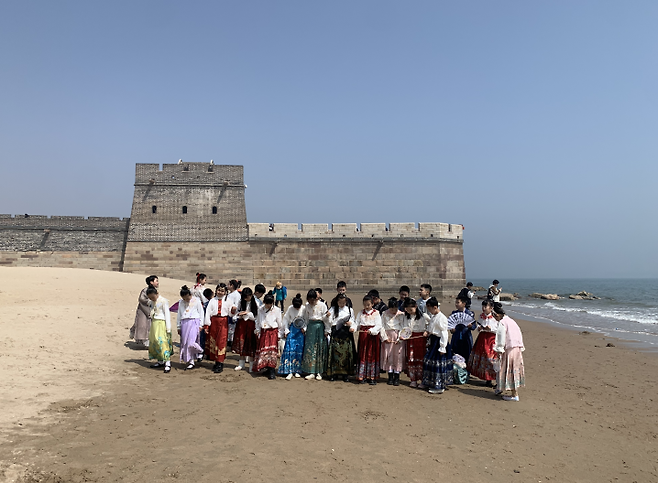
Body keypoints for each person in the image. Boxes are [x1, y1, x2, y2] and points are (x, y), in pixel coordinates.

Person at [492, 303, 525, 401]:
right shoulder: (511, 321)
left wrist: (499, 350)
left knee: (507, 370)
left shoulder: (502, 323)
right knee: (512, 369)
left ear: (497, 315)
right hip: (517, 349)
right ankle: (500, 387)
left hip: (509, 350)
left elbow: (500, 338)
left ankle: (515, 395)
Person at [421, 297, 452, 394]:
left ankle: (439, 386)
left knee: (438, 363)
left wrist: (442, 347)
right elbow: (432, 328)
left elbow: (444, 333)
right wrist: (428, 332)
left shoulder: (441, 318)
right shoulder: (434, 316)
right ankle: (430, 382)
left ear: (434, 307)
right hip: (433, 340)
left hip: (439, 342)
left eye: (430, 308)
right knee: (430, 361)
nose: (429, 311)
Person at [467, 300, 499, 387]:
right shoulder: (481, 316)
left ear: (491, 308)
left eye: (486, 307)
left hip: (491, 339)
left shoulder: (495, 318)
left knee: (491, 358)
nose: (484, 308)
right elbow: (478, 327)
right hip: (482, 338)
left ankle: (495, 379)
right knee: (482, 358)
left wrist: (491, 329)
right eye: (483, 307)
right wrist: (479, 328)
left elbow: (498, 329)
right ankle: (487, 379)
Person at [326, 293, 356, 382]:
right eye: (340, 303)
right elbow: (330, 321)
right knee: (335, 354)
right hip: (336, 332)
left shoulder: (349, 310)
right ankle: (334, 373)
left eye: (343, 303)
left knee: (346, 354)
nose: (341, 305)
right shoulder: (333, 309)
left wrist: (350, 324)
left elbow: (353, 320)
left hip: (345, 332)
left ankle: (345, 374)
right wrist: (328, 316)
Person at [203, 283, 233, 373]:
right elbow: (208, 313)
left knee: (221, 342)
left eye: (222, 291)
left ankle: (220, 362)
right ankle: (215, 361)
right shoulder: (212, 301)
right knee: (214, 341)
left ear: (225, 292)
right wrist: (207, 325)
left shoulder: (228, 301)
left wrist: (233, 310)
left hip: (223, 321)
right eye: (219, 290)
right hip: (214, 321)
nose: (220, 292)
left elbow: (231, 313)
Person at [301, 289, 330, 380]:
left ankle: (319, 371)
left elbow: (326, 320)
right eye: (309, 300)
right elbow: (305, 318)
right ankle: (311, 371)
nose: (311, 302)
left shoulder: (322, 305)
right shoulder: (307, 306)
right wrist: (304, 328)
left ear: (316, 299)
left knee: (319, 348)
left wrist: (327, 330)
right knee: (310, 348)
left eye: (312, 300)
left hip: (319, 327)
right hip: (310, 327)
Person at [354, 295, 383, 385]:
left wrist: (372, 330)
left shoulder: (376, 313)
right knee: (363, 354)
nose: (366, 307)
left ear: (372, 304)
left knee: (372, 355)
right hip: (363, 336)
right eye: (365, 305)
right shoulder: (360, 313)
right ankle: (362, 375)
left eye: (368, 305)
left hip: (372, 337)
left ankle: (372, 376)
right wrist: (353, 328)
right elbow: (356, 323)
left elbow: (379, 325)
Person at [254, 294, 282, 380]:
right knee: (264, 350)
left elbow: (280, 323)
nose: (268, 305)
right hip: (264, 331)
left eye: (270, 304)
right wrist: (257, 330)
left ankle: (272, 370)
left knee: (272, 351)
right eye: (267, 304)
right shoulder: (260, 309)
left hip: (272, 331)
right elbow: (258, 321)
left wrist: (279, 334)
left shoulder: (277, 310)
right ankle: (265, 367)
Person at [176, 285, 205, 370]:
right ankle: (191, 361)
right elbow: (179, 314)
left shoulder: (196, 300)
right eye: (184, 298)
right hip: (184, 322)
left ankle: (200, 351)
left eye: (187, 298)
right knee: (186, 343)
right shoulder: (181, 302)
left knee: (192, 342)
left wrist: (201, 324)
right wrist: (178, 326)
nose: (186, 300)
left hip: (194, 322)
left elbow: (201, 313)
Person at [278, 293, 306, 380]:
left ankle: (297, 370)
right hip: (292, 330)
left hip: (301, 331)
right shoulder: (290, 308)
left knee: (299, 350)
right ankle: (289, 370)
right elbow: (285, 319)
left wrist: (304, 328)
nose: (297, 308)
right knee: (290, 349)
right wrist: (286, 330)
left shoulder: (304, 309)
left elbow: (306, 320)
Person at [402, 298, 428, 388]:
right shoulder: (406, 317)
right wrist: (403, 336)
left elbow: (431, 325)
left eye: (411, 309)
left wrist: (427, 331)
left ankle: (422, 380)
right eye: (407, 309)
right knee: (411, 358)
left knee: (421, 358)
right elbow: (404, 328)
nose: (409, 311)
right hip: (410, 339)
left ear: (416, 306)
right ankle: (413, 379)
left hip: (420, 340)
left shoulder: (424, 316)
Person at [146, 286, 172, 373]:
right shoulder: (152, 302)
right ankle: (160, 360)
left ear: (157, 294)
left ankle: (167, 362)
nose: (152, 299)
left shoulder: (163, 301)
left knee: (162, 341)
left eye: (153, 297)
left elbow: (167, 314)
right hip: (154, 323)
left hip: (161, 323)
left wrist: (168, 328)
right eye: (150, 298)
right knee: (155, 341)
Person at [380, 297, 405, 386]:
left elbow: (403, 327)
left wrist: (400, 338)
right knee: (388, 355)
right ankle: (390, 376)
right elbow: (382, 326)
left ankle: (397, 376)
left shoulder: (401, 315)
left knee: (397, 356)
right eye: (392, 309)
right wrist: (384, 337)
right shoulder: (384, 314)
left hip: (398, 338)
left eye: (395, 309)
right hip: (388, 337)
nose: (394, 311)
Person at [233, 287, 258, 372]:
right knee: (242, 343)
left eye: (247, 297)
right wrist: (239, 314)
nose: (246, 299)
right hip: (242, 325)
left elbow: (256, 317)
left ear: (251, 295)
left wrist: (247, 313)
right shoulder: (241, 302)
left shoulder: (256, 303)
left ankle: (251, 364)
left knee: (250, 344)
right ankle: (241, 363)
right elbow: (236, 313)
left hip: (251, 325)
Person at [447, 295, 477, 366]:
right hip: (456, 336)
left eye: (458, 302)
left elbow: (474, 326)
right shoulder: (454, 313)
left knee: (467, 353)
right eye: (456, 302)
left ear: (464, 304)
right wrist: (452, 330)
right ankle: (456, 370)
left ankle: (466, 370)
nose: (456, 304)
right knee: (455, 353)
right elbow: (451, 326)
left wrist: (471, 326)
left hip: (466, 336)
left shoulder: (469, 313)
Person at [130, 275, 158, 347]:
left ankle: (148, 340)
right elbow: (141, 299)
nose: (158, 283)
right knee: (142, 325)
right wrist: (149, 302)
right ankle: (144, 340)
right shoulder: (145, 290)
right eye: (156, 281)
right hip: (143, 309)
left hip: (151, 309)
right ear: (151, 282)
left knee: (150, 326)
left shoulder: (155, 291)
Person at [226, 279, 242, 347]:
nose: (227, 286)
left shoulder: (237, 295)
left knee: (232, 331)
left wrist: (233, 309)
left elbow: (237, 305)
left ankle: (232, 344)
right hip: (228, 314)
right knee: (229, 331)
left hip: (233, 315)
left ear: (232, 285)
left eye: (228, 284)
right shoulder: (229, 294)